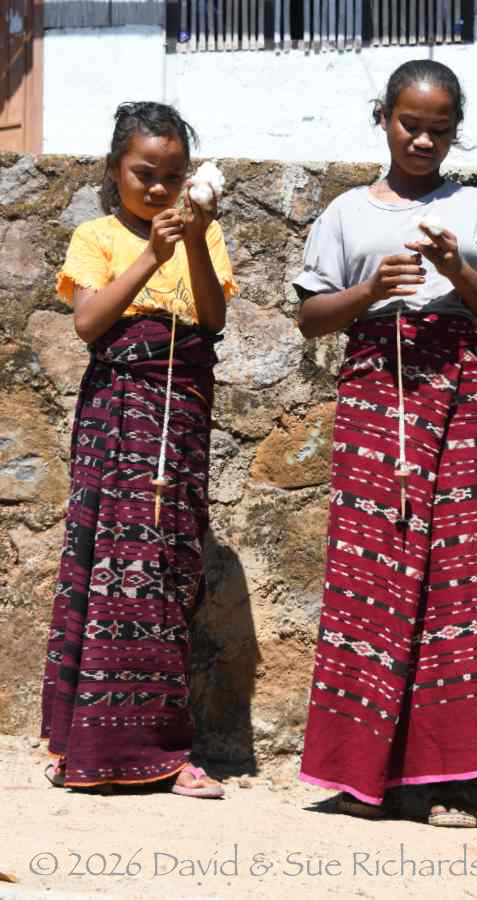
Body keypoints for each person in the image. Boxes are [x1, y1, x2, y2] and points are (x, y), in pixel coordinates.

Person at [294, 60, 477, 826]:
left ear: (458, 130)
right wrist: (371, 291)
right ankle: (365, 775)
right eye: (410, 123)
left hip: (454, 391)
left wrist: (456, 269)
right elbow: (312, 318)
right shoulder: (344, 215)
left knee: (457, 577)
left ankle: (454, 780)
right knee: (372, 575)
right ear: (383, 118)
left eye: (440, 128)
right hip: (373, 399)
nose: (424, 139)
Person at [40, 101, 237, 797]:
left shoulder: (202, 236)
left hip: (180, 414)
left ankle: (163, 749)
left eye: (173, 176)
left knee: (168, 571)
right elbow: (91, 323)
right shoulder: (95, 235)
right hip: (115, 414)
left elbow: (212, 318)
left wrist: (190, 242)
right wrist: (153, 249)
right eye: (145, 173)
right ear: (115, 168)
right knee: (106, 568)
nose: (159, 189)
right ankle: (86, 746)